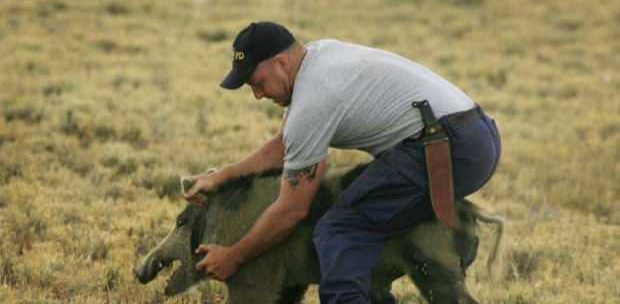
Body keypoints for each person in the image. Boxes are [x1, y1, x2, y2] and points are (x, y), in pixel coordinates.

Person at [182, 21, 501, 303]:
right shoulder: (315, 58)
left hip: (450, 147)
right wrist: (222, 176)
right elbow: (282, 146)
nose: (257, 94)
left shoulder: (314, 101)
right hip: (470, 133)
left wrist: (234, 257)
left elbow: (291, 210)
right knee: (363, 233)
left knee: (340, 231)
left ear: (280, 62)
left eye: (257, 82)